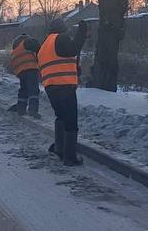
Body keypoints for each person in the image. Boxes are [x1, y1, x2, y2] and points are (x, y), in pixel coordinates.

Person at [26, 18, 88, 166]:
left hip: (50, 87)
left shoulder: (45, 45)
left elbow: (60, 60)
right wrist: (82, 32)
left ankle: (59, 148)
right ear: (62, 29)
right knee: (71, 121)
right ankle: (70, 157)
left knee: (60, 117)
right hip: (64, 86)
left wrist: (74, 69)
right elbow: (74, 49)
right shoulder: (60, 38)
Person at [7, 33, 41, 118]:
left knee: (24, 90)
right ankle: (33, 110)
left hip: (21, 72)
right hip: (31, 69)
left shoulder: (15, 51)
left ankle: (21, 109)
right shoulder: (26, 42)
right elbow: (37, 45)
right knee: (33, 90)